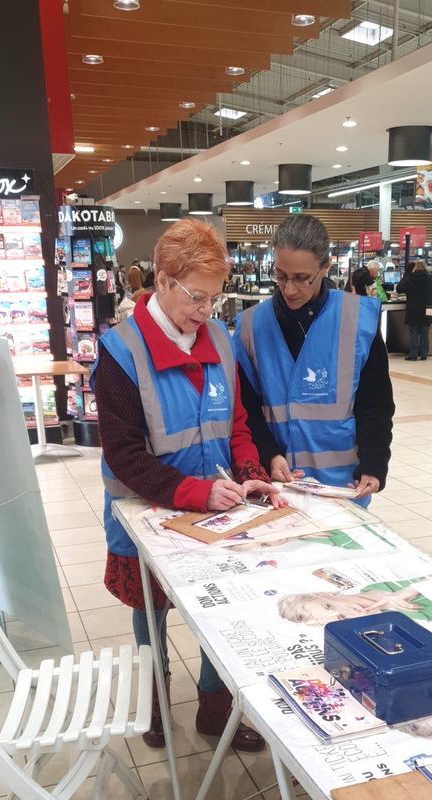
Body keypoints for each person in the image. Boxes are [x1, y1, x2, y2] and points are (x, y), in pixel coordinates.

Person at [92, 218, 284, 752]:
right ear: (162, 279)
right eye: (197, 297)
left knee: (218, 611)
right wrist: (195, 492)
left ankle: (214, 709)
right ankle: (153, 703)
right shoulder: (121, 352)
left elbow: (238, 424)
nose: (206, 311)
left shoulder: (219, 340)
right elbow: (125, 456)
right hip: (146, 513)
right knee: (150, 612)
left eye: (215, 300)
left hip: (218, 512)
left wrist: (250, 474)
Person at [235, 215, 395, 504]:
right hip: (278, 489)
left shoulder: (359, 319)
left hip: (343, 488)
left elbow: (375, 406)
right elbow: (246, 411)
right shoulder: (250, 327)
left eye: (301, 278)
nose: (289, 289)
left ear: (326, 266)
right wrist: (269, 454)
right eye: (280, 275)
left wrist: (374, 462)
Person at [277, 579, 432, 629]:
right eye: (341, 618)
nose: (347, 611)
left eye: (329, 606)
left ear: (324, 594)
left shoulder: (378, 584)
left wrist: (409, 591)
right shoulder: (394, 624)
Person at [395, 259, 432, 361]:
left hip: (413, 308)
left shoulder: (410, 278)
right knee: (424, 331)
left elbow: (399, 289)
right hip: (426, 309)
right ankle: (424, 354)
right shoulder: (430, 278)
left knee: (413, 332)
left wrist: (404, 277)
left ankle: (413, 354)